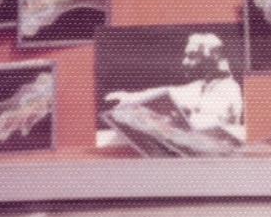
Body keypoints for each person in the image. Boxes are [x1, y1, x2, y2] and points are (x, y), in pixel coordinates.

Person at [102, 32, 244, 139]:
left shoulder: (228, 89)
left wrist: (174, 117)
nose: (185, 62)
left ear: (213, 56)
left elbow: (208, 128)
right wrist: (128, 98)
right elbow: (168, 93)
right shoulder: (201, 85)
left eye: (192, 56)